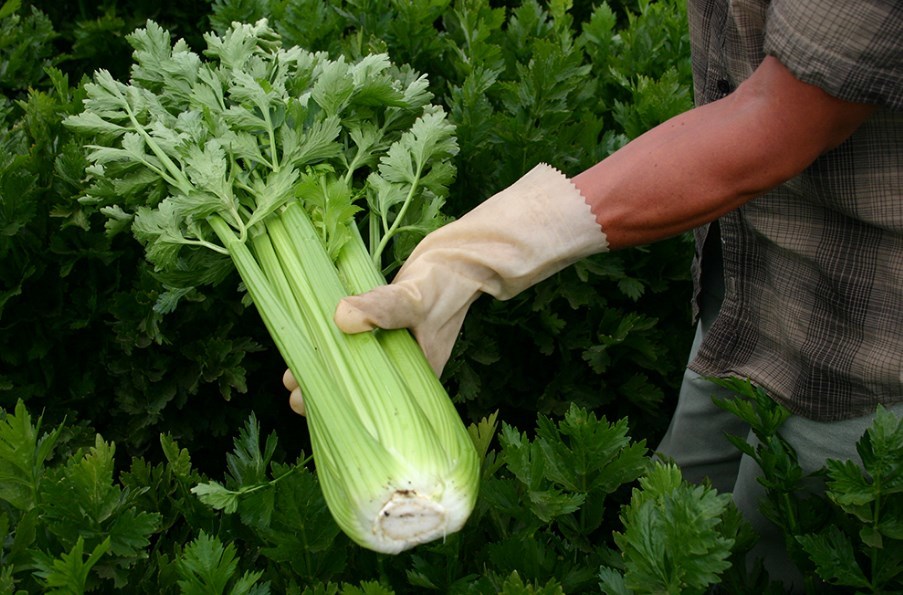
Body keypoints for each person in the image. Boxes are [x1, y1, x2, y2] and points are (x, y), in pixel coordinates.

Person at [285, 0, 902, 588]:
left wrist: (476, 257)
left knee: (781, 558)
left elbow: (783, 117)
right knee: (677, 511)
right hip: (746, 279)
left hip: (868, 334)